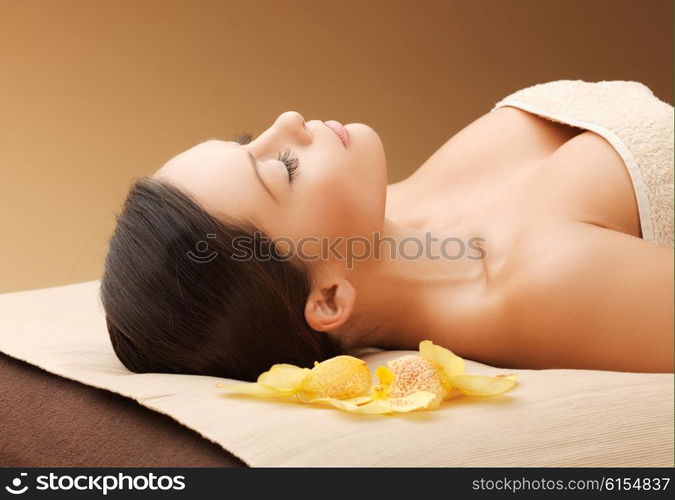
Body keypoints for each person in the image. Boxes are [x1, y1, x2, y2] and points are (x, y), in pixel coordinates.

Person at [101, 107, 674, 381]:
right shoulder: (541, 284)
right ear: (327, 299)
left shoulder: (393, 213)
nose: (289, 119)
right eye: (285, 169)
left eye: (249, 141)